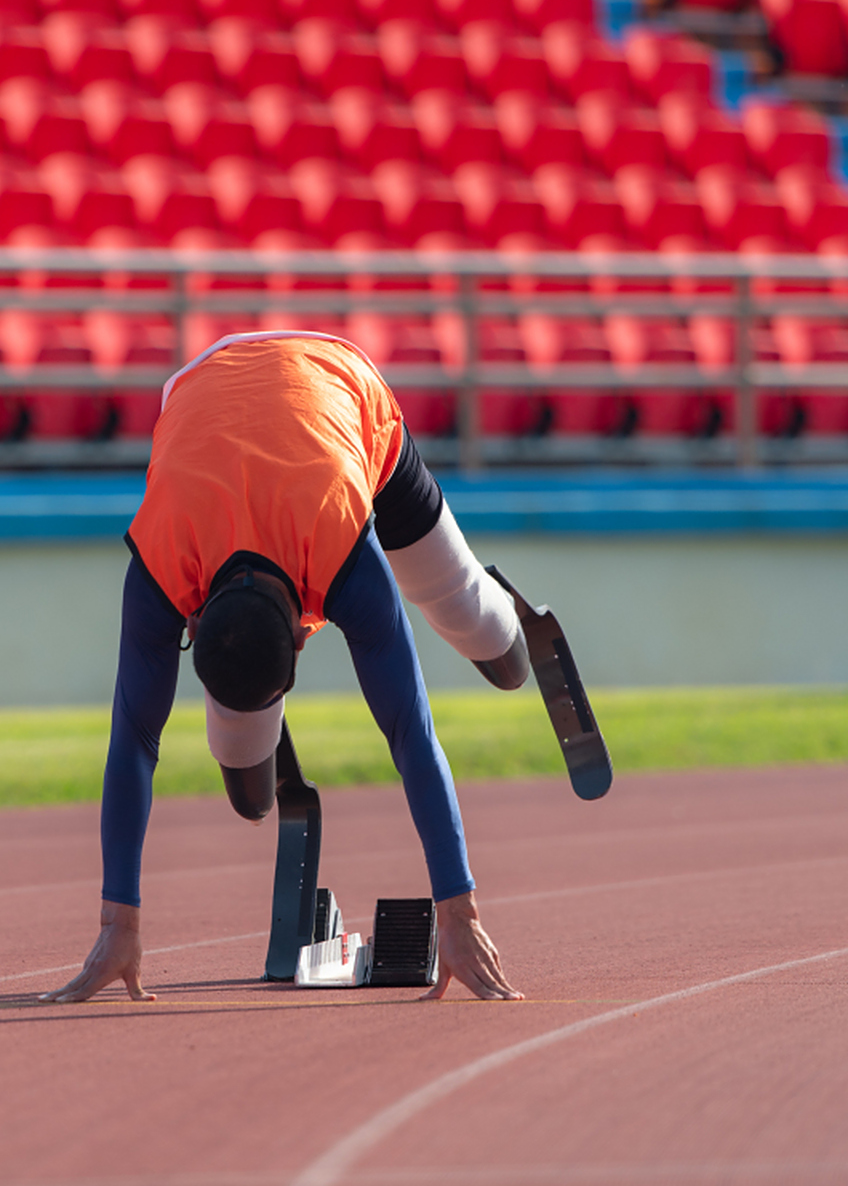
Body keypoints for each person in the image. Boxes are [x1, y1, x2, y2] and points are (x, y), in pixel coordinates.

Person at [41, 331, 531, 1004]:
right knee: (249, 788)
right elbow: (134, 743)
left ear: (305, 635)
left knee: (471, 620)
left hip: (343, 397)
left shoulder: (343, 552)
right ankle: (252, 759)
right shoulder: (163, 560)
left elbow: (410, 730)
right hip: (206, 388)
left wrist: (459, 910)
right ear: (193, 615)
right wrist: (114, 921)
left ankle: (512, 625)